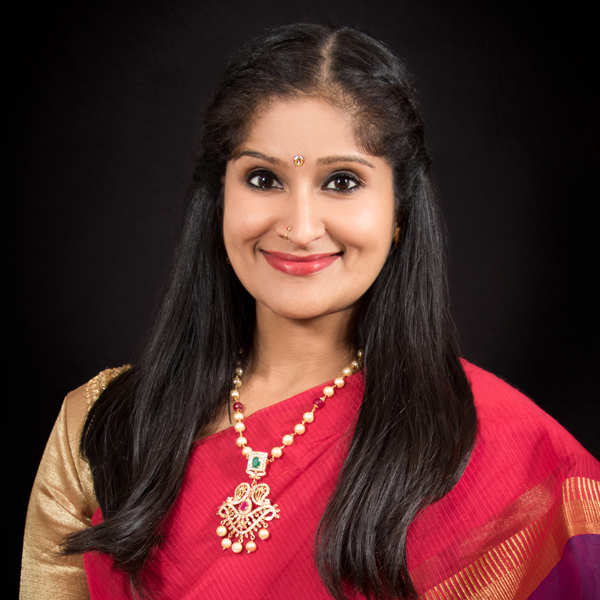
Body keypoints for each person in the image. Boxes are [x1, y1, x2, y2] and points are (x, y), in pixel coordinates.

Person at [20, 23, 599, 600]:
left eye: (342, 181)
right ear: (219, 198)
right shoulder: (102, 428)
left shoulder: (501, 449)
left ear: (399, 211)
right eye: (264, 178)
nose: (299, 228)